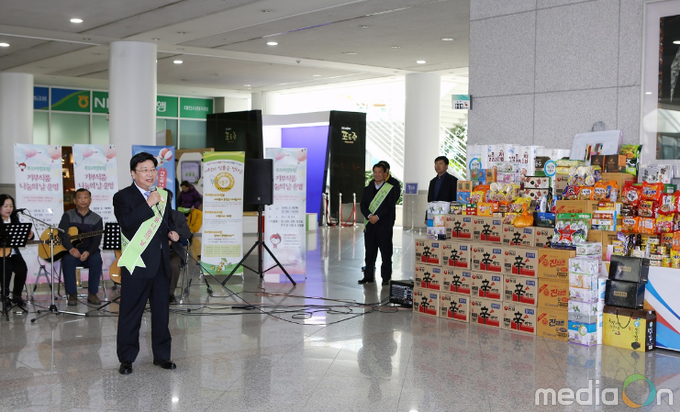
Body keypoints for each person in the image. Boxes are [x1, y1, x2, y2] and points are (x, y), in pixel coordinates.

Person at [113, 152, 179, 375]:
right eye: (144, 170)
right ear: (133, 173)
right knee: (131, 313)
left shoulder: (164, 194)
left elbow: (168, 221)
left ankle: (162, 356)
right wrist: (148, 204)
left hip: (161, 264)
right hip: (137, 263)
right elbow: (126, 223)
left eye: (152, 169)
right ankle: (127, 358)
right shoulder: (122, 197)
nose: (150, 174)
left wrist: (172, 232)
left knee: (161, 313)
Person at [58, 188, 104, 306]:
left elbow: (97, 240)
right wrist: (71, 249)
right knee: (68, 261)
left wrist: (89, 252)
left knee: (96, 260)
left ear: (90, 200)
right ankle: (72, 294)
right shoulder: (68, 215)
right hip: (72, 250)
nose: (83, 200)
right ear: (75, 201)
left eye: (85, 197)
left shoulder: (97, 218)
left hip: (90, 251)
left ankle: (92, 294)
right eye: (79, 198)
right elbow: (62, 234)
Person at [359, 163, 398, 286]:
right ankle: (368, 276)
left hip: (384, 226)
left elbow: (389, 207)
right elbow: (363, 205)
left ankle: (386, 277)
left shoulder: (390, 189)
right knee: (369, 252)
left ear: (385, 173)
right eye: (375, 172)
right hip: (370, 225)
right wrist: (369, 216)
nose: (377, 174)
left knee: (386, 252)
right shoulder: (367, 188)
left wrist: (378, 216)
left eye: (379, 172)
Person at [0, 194, 33, 309]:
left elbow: (22, 236)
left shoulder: (15, 220)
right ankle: (5, 297)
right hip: (1, 255)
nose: (9, 209)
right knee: (7, 270)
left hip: (13, 253)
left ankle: (17, 296)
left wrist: (29, 235)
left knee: (22, 269)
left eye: (11, 206)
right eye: (5, 206)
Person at [168, 209, 192, 304]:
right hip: (156, 250)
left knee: (173, 265)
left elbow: (187, 233)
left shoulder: (178, 215)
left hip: (173, 251)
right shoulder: (150, 212)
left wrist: (173, 233)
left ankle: (169, 294)